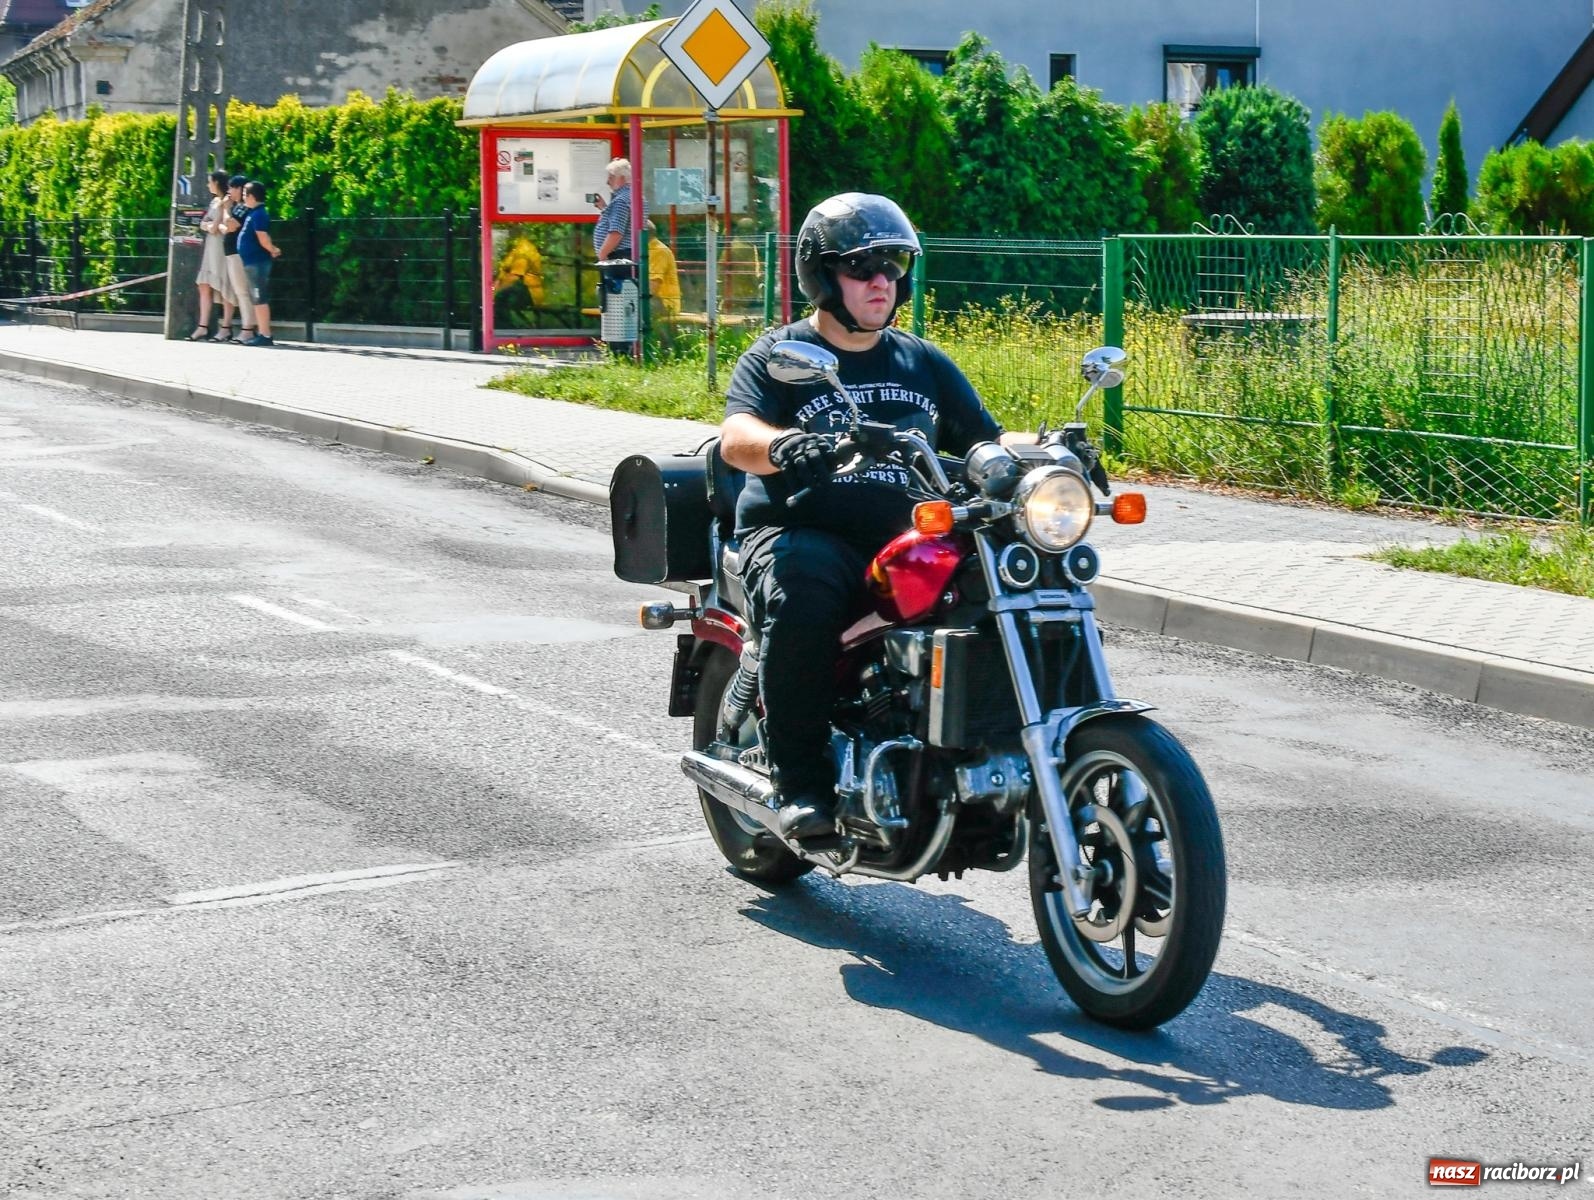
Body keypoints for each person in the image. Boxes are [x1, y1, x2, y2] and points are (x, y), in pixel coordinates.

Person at [720, 193, 1026, 843]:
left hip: (906, 533)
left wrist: (1047, 460)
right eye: (863, 266)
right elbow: (735, 435)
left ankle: (1003, 753)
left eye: (892, 264)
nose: (881, 280)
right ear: (823, 274)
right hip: (803, 527)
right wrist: (780, 446)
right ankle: (799, 782)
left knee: (1011, 584)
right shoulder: (782, 355)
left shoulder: (923, 360)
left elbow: (983, 441)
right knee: (805, 587)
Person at [236, 180, 283, 347]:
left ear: (252, 196)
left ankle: (265, 334)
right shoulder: (254, 213)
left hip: (257, 262)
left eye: (244, 195)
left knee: (259, 296)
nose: (242, 198)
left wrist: (272, 249)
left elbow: (262, 237)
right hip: (252, 261)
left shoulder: (259, 214)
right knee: (257, 297)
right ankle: (262, 332)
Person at [190, 170, 236, 340]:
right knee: (204, 285)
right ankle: (202, 326)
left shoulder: (228, 201)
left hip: (222, 248)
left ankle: (226, 327)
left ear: (217, 183)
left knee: (225, 286)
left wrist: (212, 225)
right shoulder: (214, 202)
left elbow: (221, 225)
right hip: (211, 246)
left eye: (210, 182)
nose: (208, 185)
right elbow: (205, 224)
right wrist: (212, 226)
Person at [219, 175, 255, 343]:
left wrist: (225, 209)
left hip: (238, 253)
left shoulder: (242, 208)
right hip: (232, 253)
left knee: (243, 291)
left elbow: (231, 225)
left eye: (232, 188)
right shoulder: (238, 207)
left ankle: (248, 329)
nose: (229, 191)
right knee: (240, 292)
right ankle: (246, 328)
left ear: (240, 189)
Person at [643, 219, 680, 350]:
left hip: (664, 303)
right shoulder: (646, 249)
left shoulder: (658, 251)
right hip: (656, 301)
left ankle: (661, 348)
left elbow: (652, 287)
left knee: (640, 306)